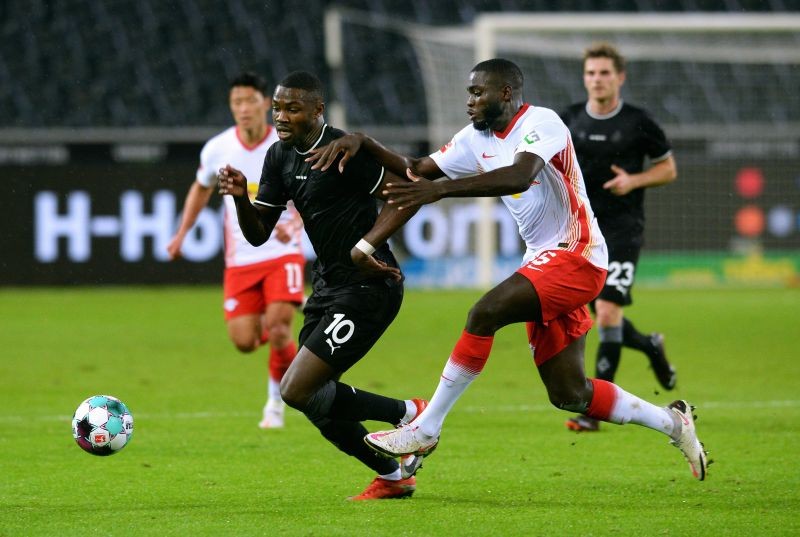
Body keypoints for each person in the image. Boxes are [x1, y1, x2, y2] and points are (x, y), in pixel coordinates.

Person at [308, 58, 709, 481]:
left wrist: (440, 190)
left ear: (505, 93)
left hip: (578, 254)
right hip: (542, 261)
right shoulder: (472, 138)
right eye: (468, 93)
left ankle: (426, 427)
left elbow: (520, 175)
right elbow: (418, 170)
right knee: (570, 394)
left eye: (477, 92)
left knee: (485, 312)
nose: (469, 101)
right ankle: (673, 422)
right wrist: (364, 143)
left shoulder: (543, 122)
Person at [217, 70, 428, 500]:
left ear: (317, 110)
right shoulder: (279, 156)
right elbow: (259, 233)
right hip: (329, 287)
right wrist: (240, 196)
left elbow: (407, 193)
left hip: (371, 285)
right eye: (277, 107)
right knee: (312, 401)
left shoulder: (344, 152)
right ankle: (392, 476)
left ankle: (411, 414)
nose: (281, 116)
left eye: (292, 108)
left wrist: (366, 247)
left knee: (296, 388)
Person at [167, 72, 305, 430]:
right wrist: (182, 233)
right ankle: (282, 315)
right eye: (236, 103)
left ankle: (276, 403)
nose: (243, 109)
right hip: (241, 259)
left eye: (249, 101)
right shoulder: (218, 149)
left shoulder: (287, 144)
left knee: (277, 329)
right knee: (244, 341)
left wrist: (299, 223)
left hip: (281, 252)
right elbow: (200, 189)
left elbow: (312, 186)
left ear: (264, 104)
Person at [559, 43, 678, 433]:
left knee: (607, 312)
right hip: (582, 231)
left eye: (604, 73)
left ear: (620, 77)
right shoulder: (570, 119)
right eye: (591, 73)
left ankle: (593, 410)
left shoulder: (639, 121)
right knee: (598, 311)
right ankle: (649, 345)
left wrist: (634, 180)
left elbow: (668, 170)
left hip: (624, 229)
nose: (597, 80)